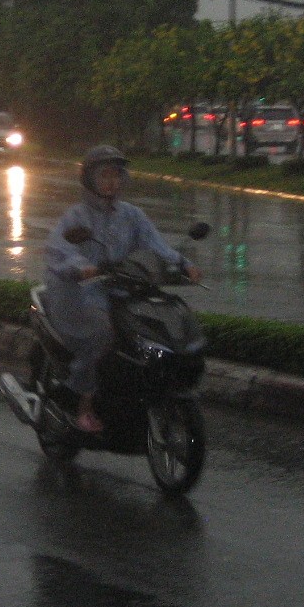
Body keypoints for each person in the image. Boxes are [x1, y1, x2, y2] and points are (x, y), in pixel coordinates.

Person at [43, 145, 201, 434]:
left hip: (120, 289)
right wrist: (82, 265)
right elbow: (59, 249)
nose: (111, 182)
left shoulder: (132, 215)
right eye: (104, 176)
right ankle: (82, 402)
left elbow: (156, 245)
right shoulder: (77, 216)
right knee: (102, 332)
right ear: (90, 179)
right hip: (80, 291)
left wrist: (182, 263)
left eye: (116, 175)